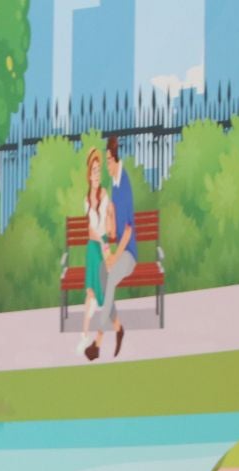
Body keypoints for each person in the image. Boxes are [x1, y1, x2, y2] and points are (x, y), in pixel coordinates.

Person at [96, 135, 137, 360]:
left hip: (129, 254)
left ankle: (99, 337)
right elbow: (116, 231)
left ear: (114, 160)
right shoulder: (114, 184)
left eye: (108, 162)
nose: (106, 167)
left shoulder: (125, 184)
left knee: (110, 277)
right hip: (119, 249)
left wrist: (115, 257)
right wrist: (110, 218)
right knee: (103, 274)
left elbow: (129, 231)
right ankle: (118, 327)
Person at [77, 147, 112, 362]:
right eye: (94, 171)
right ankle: (84, 335)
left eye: (100, 170)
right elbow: (91, 230)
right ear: (89, 175)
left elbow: (106, 226)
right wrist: (99, 241)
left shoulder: (104, 195)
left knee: (104, 295)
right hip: (93, 247)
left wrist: (104, 243)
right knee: (90, 293)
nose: (97, 174)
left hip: (103, 246)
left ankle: (98, 340)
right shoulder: (86, 199)